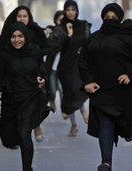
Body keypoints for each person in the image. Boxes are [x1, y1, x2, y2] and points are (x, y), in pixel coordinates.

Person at [78, 3, 132, 171]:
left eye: (113, 18)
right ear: (102, 18)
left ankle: (129, 129)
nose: (110, 20)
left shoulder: (128, 37)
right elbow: (83, 62)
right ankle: (106, 162)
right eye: (107, 17)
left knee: (122, 123)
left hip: (122, 90)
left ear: (119, 19)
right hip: (100, 89)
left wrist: (129, 74)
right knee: (105, 123)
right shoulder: (94, 37)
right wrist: (88, 82)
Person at [0, 22, 51, 171]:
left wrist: (42, 79)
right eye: (14, 37)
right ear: (9, 38)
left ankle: (27, 168)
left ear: (25, 37)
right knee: (8, 137)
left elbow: (42, 71)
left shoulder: (34, 51)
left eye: (20, 36)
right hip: (11, 100)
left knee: (24, 133)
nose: (17, 40)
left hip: (30, 97)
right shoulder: (5, 55)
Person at [0, 5, 52, 142]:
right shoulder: (10, 31)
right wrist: (4, 61)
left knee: (36, 99)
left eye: (25, 16)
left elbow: (47, 48)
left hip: (34, 69)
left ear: (29, 17)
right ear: (15, 18)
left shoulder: (35, 30)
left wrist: (35, 52)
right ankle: (17, 134)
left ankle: (36, 126)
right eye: (19, 16)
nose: (22, 18)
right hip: (13, 72)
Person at [58, 0, 90, 137]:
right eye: (68, 9)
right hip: (66, 66)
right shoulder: (61, 28)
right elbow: (58, 46)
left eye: (73, 9)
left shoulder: (83, 25)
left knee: (78, 90)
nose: (71, 12)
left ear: (77, 11)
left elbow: (88, 43)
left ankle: (85, 114)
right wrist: (69, 34)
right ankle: (74, 125)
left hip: (80, 64)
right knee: (70, 92)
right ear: (65, 11)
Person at [44, 10, 65, 111]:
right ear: (56, 20)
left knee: (61, 88)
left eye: (63, 19)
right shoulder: (52, 30)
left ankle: (65, 109)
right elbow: (48, 45)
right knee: (52, 87)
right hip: (52, 65)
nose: (61, 21)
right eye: (59, 19)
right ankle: (51, 100)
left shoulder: (69, 31)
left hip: (63, 66)